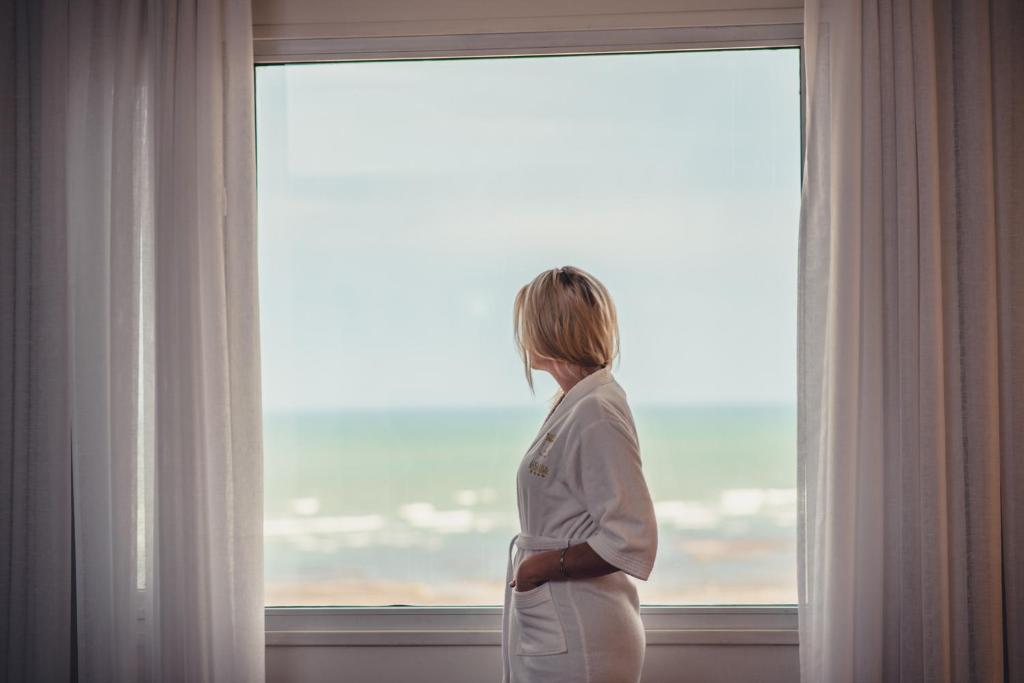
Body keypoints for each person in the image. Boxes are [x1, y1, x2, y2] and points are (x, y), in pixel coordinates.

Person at [501, 265, 659, 683]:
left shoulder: (596, 413)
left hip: (581, 631)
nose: (521, 336)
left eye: (527, 323)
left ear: (550, 329)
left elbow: (632, 539)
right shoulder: (578, 402)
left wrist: (538, 568)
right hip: (564, 621)